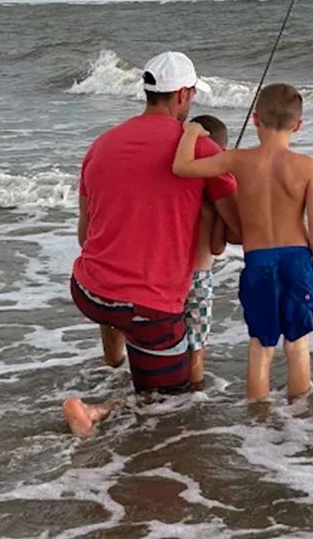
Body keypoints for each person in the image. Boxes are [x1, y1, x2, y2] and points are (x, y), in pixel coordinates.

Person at [62, 51, 241, 438]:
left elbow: (85, 233)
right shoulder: (202, 150)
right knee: (169, 399)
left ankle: (114, 350)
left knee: (115, 287)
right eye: (192, 95)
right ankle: (94, 412)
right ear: (183, 95)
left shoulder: (101, 145)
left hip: (87, 290)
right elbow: (239, 230)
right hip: (147, 308)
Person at [172, 83, 313, 402]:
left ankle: (257, 420)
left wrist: (192, 132)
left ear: (255, 119)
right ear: (298, 125)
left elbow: (182, 167)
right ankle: (301, 418)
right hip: (298, 260)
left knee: (260, 347)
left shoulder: (238, 160)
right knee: (297, 344)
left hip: (258, 262)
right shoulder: (307, 166)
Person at [184, 114, 233, 392]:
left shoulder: (178, 191)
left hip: (166, 278)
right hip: (199, 279)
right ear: (222, 151)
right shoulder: (212, 202)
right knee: (196, 346)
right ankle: (195, 392)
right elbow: (216, 247)